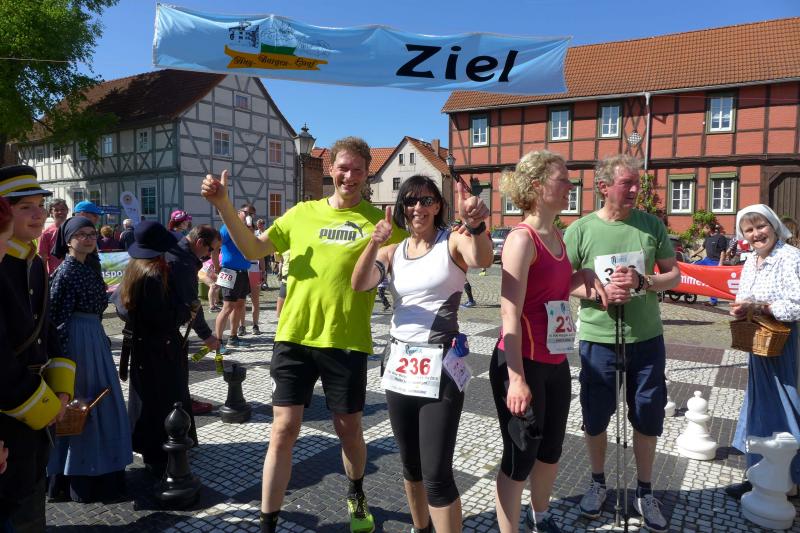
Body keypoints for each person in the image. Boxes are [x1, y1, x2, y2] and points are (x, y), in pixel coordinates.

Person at [201, 137, 405, 533]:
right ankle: (268, 522)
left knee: (349, 430)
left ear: (367, 174)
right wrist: (224, 204)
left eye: (358, 170)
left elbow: (416, 256)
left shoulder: (379, 224)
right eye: (343, 167)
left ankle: (357, 492)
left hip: (346, 340)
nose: (349, 176)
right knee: (282, 430)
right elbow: (253, 248)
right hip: (294, 337)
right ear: (331, 168)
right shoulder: (302, 213)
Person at [351, 176, 492, 532]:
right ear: (402, 207)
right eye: (411, 201)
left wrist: (476, 225)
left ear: (439, 205)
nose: (418, 208)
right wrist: (374, 242)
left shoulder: (452, 240)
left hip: (441, 367)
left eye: (427, 200)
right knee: (411, 468)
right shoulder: (393, 251)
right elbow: (360, 283)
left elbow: (482, 258)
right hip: (400, 365)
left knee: (437, 474)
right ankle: (421, 528)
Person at [492, 151, 607, 533]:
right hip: (521, 361)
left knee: (551, 450)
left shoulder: (557, 235)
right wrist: (516, 378)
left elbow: (553, 289)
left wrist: (583, 276)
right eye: (564, 180)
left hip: (555, 361)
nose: (571, 186)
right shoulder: (521, 240)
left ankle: (540, 515)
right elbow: (509, 312)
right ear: (539, 186)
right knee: (520, 457)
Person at [564, 154, 680, 533]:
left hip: (646, 339)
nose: (635, 189)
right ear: (603, 187)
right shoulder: (580, 230)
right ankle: (598, 482)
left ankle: (645, 491)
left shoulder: (650, 225)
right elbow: (563, 281)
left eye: (637, 182)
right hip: (598, 340)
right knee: (596, 416)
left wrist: (644, 282)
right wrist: (596, 292)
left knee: (647, 414)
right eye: (627, 182)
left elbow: (674, 275)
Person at [0, 165, 75, 533]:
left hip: (38, 402)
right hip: (9, 408)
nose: (38, 214)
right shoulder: (4, 265)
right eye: (25, 207)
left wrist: (61, 391)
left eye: (40, 205)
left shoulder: (33, 263)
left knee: (32, 491)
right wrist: (42, 406)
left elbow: (47, 331)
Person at [46, 217, 133, 503]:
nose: (88, 238)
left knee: (103, 403)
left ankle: (104, 470)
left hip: (94, 335)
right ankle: (76, 476)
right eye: (81, 235)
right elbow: (56, 319)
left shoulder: (91, 266)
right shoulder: (65, 272)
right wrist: (63, 361)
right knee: (83, 404)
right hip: (77, 343)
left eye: (91, 234)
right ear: (68, 240)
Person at [724, 204, 800, 499]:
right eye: (749, 229)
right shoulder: (751, 260)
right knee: (759, 405)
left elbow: (796, 304)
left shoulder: (789, 257)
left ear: (774, 226)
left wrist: (762, 307)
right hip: (758, 341)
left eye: (761, 226)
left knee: (784, 404)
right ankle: (758, 473)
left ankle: (789, 478)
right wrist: (741, 307)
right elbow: (744, 295)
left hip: (783, 342)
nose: (756, 234)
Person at [113, 221, 195, 475]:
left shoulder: (133, 268)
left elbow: (122, 308)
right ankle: (164, 452)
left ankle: (149, 447)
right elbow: (164, 318)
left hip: (142, 346)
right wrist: (186, 312)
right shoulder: (155, 275)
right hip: (162, 348)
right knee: (166, 399)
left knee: (146, 399)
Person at [165, 224, 222, 416]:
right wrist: (206, 335)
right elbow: (192, 303)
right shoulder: (182, 261)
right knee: (176, 364)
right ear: (199, 242)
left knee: (173, 363)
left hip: (161, 320)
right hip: (161, 322)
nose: (210, 254)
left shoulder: (178, 251)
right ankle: (180, 404)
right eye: (210, 249)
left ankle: (178, 400)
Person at [215, 203, 254, 352]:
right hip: (229, 271)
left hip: (243, 272)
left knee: (240, 305)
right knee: (227, 307)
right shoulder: (228, 227)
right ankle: (218, 342)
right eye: (246, 212)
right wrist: (217, 267)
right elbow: (215, 246)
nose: (249, 216)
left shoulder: (246, 230)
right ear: (239, 212)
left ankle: (233, 337)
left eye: (252, 214)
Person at [693, 223, 728, 306]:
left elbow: (723, 251)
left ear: (709, 229)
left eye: (704, 228)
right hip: (706, 260)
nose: (703, 230)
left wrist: (720, 263)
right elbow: (702, 247)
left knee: (713, 281)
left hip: (715, 262)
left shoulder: (721, 238)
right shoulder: (708, 238)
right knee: (692, 267)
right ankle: (699, 285)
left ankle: (713, 301)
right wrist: (695, 253)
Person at [38, 198, 69, 274]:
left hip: (75, 274)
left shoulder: (75, 229)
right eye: (56, 210)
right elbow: (43, 260)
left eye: (63, 209)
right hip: (56, 275)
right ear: (51, 213)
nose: (60, 212)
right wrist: (45, 279)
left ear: (67, 211)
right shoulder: (46, 233)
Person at [274, 251, 290, 318]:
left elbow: (279, 260)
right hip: (286, 278)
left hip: (291, 278)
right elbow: (279, 260)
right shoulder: (284, 247)